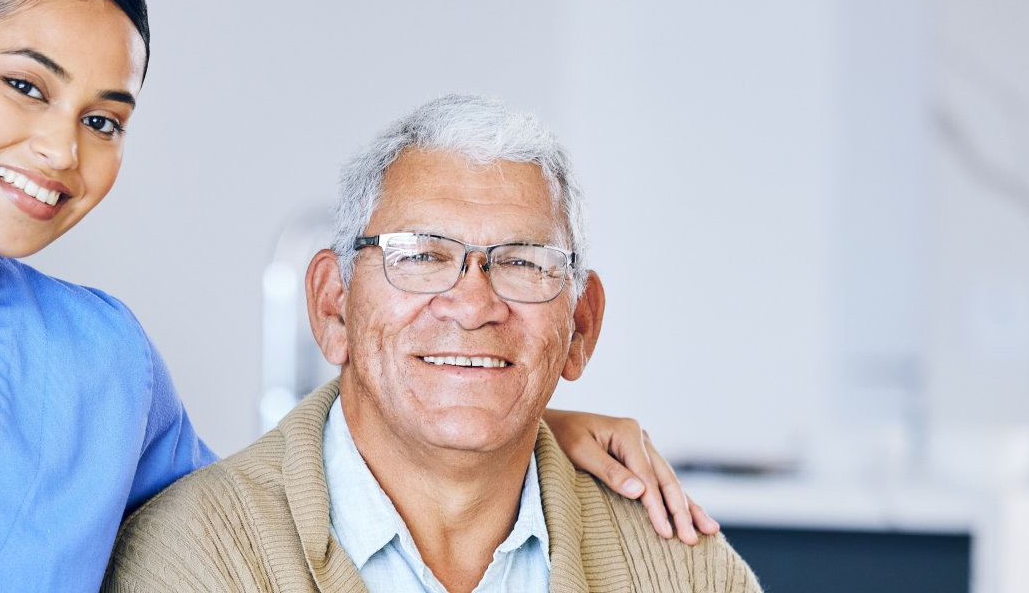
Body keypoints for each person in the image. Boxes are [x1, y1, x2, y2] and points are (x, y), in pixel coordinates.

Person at [0, 0, 713, 591]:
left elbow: (276, 519)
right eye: (23, 84)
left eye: (103, 117)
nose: (59, 147)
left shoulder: (101, 357)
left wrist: (513, 416)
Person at [104, 95, 761, 593]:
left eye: (524, 263)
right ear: (333, 306)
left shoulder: (683, 567)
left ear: (579, 327)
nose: (474, 306)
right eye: (420, 256)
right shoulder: (200, 557)